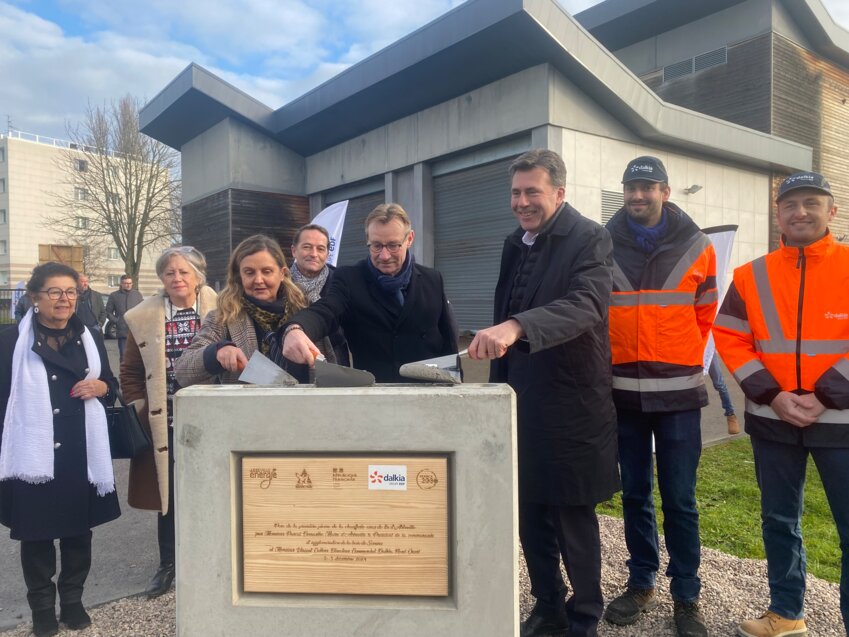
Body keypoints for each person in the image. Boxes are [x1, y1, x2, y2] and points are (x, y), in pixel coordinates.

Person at [468, 149, 619, 637]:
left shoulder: (589, 238)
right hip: (520, 395)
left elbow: (586, 305)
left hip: (572, 400)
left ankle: (585, 615)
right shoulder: (517, 241)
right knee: (529, 510)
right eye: (515, 192)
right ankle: (548, 603)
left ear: (559, 191)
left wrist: (516, 326)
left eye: (532, 191)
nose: (522, 201)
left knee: (572, 515)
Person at [713, 171, 849, 637]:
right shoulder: (751, 276)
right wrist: (774, 395)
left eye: (812, 202)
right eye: (790, 205)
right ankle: (787, 614)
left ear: (832, 210)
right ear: (779, 215)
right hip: (774, 421)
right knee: (778, 521)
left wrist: (823, 396)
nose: (801, 212)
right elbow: (729, 336)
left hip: (841, 422)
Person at [603, 156, 716, 637]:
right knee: (634, 494)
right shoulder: (601, 243)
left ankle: (686, 596)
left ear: (666, 191)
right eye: (631, 187)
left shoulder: (698, 245)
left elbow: (705, 313)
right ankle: (642, 582)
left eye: (647, 187)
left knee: (681, 499)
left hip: (678, 397)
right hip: (622, 394)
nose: (638, 195)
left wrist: (675, 354)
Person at [0, 262, 120, 637]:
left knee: (77, 534)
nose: (64, 299)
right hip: (31, 453)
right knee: (36, 536)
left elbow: (111, 386)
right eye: (54, 292)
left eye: (71, 292)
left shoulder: (88, 336)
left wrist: (100, 388)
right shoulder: (9, 342)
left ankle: (72, 602)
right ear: (35, 298)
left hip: (78, 450)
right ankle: (41, 610)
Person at [120, 246, 217, 599]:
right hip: (165, 422)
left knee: (212, 492)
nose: (177, 278)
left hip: (210, 422)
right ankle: (168, 565)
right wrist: (142, 407)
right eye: (170, 272)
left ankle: (209, 560)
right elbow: (130, 371)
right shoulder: (142, 316)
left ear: (198, 276)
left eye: (184, 272)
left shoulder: (221, 310)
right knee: (169, 498)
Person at [280, 203, 457, 382]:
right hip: (377, 395)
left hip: (428, 393)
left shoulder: (432, 279)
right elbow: (327, 310)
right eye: (376, 246)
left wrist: (457, 382)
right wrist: (295, 328)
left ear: (409, 239)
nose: (384, 255)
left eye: (393, 245)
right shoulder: (350, 279)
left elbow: (449, 341)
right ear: (367, 241)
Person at [174, 235, 308, 386]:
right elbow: (182, 370)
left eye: (267, 271)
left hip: (304, 406)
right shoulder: (223, 317)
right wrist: (216, 352)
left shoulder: (305, 310)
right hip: (246, 408)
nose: (258, 280)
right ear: (239, 276)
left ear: (282, 273)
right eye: (249, 272)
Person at [290, 224, 350, 366]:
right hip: (289, 361)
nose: (314, 254)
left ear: (327, 254)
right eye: (307, 247)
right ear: (293, 251)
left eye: (320, 249)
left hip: (334, 363)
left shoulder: (342, 283)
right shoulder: (279, 281)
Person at [105, 274, 143, 360]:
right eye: (126, 283)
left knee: (137, 357)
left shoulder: (137, 295)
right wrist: (117, 321)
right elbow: (108, 311)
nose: (128, 285)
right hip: (122, 331)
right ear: (121, 284)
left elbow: (142, 310)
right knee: (124, 357)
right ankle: (124, 373)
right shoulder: (114, 296)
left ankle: (136, 373)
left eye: (130, 283)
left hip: (136, 331)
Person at [707, 354, 739, 435]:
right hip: (690, 350)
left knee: (719, 384)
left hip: (707, 349)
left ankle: (730, 415)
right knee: (693, 385)